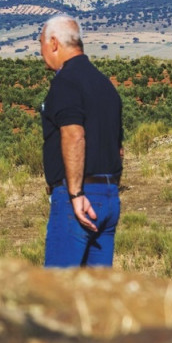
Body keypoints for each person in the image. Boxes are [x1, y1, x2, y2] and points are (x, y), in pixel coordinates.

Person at [38, 14, 123, 267]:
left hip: (79, 197)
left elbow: (74, 135)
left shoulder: (65, 82)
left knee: (57, 293)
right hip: (108, 196)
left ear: (53, 43)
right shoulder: (105, 84)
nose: (41, 51)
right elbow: (118, 149)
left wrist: (75, 194)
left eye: (41, 43)